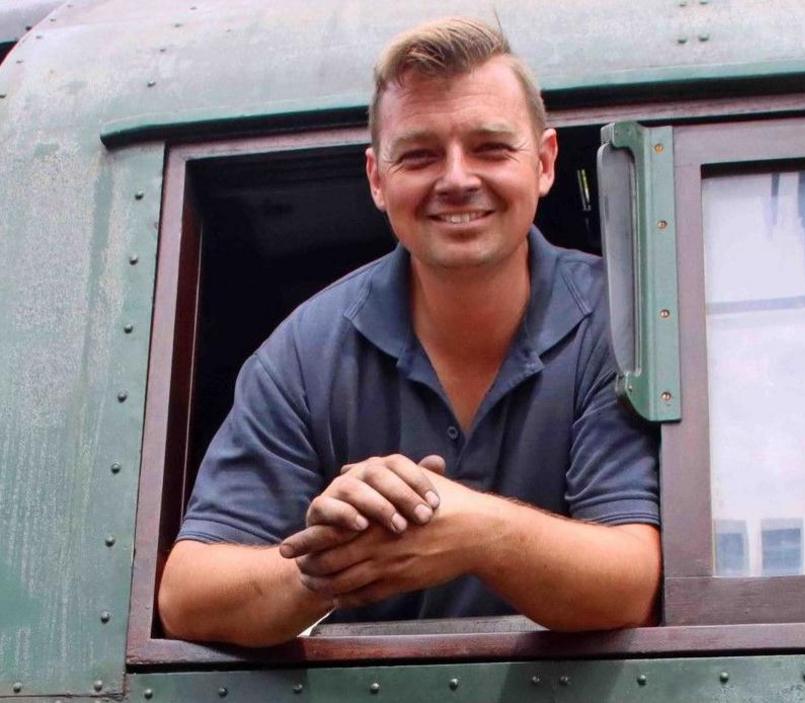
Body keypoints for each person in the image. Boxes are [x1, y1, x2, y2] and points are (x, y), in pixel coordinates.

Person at [157, 17, 661, 647]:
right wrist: (334, 564)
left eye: (491, 148)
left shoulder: (622, 321)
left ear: (545, 163)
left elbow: (632, 585)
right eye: (420, 154)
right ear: (376, 177)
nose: (456, 179)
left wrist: (475, 529)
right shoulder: (305, 349)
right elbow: (187, 596)